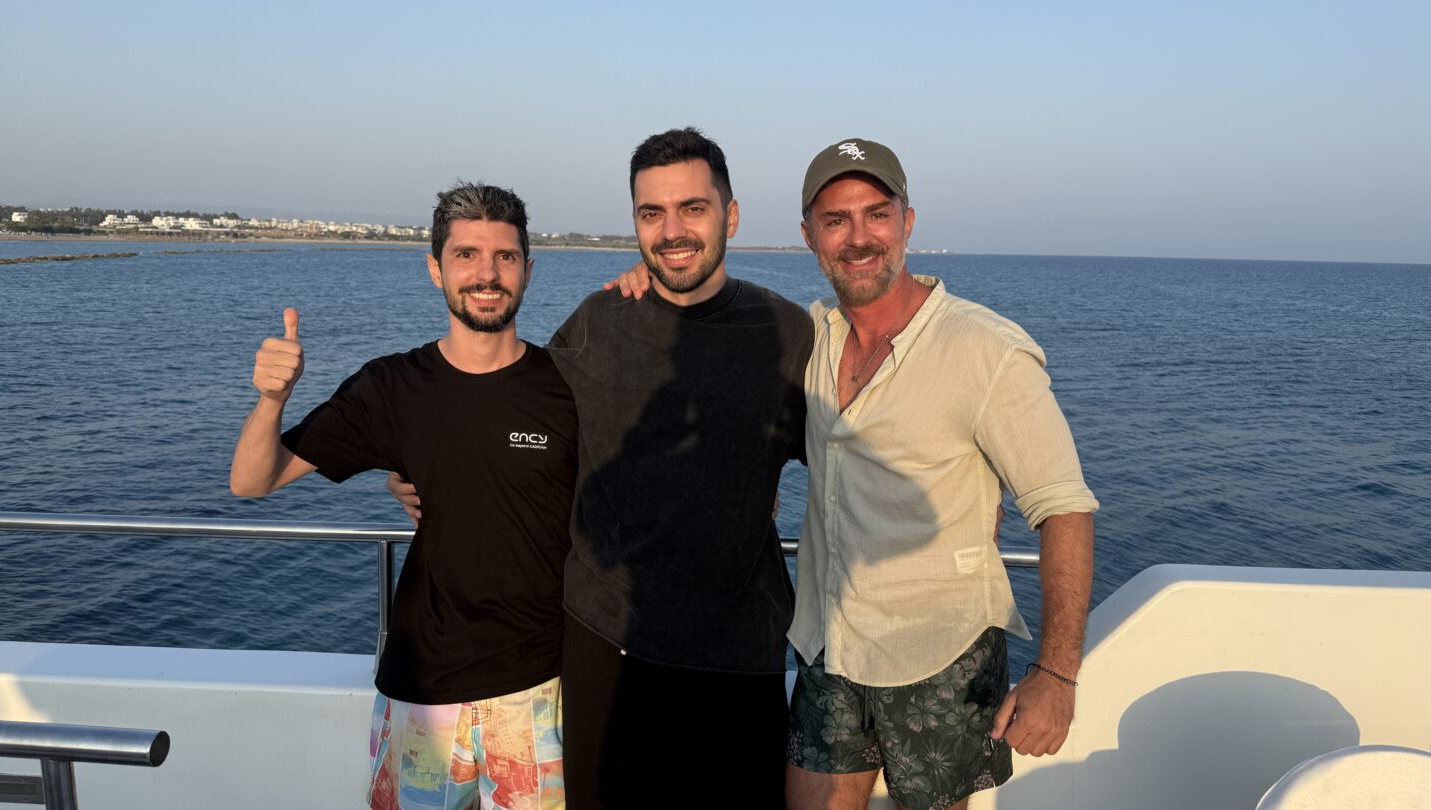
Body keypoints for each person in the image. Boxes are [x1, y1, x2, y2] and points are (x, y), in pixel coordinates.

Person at [392, 128, 813, 808]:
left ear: (730, 216)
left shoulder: (787, 332)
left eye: (693, 209)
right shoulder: (600, 320)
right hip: (603, 650)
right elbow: (516, 415)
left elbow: (847, 457)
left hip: (740, 657)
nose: (672, 231)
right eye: (652, 213)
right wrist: (416, 469)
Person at [229, 183, 576, 810]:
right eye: (466, 255)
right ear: (435, 269)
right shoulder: (391, 388)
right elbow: (254, 479)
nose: (487, 274)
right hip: (421, 690)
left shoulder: (568, 387)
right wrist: (272, 399)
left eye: (504, 256)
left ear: (528, 269)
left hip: (539, 691)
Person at [779, 139, 1099, 810]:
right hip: (828, 646)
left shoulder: (986, 350)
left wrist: (1056, 673)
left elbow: (1063, 508)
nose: (859, 237)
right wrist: (643, 287)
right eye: (836, 220)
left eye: (877, 214)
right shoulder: (810, 337)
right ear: (808, 234)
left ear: (908, 222)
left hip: (941, 658)